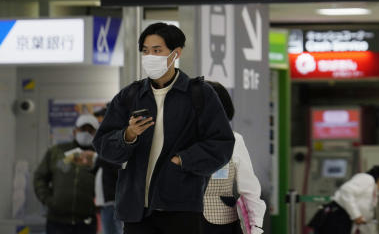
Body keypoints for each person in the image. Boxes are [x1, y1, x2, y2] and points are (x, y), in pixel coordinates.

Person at [93, 23, 235, 234]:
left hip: (181, 207)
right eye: (145, 51)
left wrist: (183, 160)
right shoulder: (129, 96)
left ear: (175, 53)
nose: (150, 56)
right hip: (136, 209)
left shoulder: (199, 94)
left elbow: (222, 144)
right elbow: (103, 145)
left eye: (157, 50)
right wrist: (127, 135)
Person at [201, 81, 265, 234]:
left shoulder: (234, 141)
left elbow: (249, 188)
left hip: (221, 221)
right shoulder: (179, 140)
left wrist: (256, 226)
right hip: (183, 220)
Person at [34, 114, 100, 234]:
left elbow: (112, 183)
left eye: (90, 130)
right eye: (83, 129)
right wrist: (48, 200)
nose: (86, 133)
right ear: (75, 131)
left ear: (96, 133)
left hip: (86, 222)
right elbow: (40, 177)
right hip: (57, 221)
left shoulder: (100, 157)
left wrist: (99, 206)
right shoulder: (57, 151)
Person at [309, 164, 379, 234]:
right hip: (336, 218)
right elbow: (346, 191)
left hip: (344, 222)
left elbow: (365, 222)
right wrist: (356, 215)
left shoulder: (373, 192)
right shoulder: (367, 179)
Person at [93, 107, 123, 234]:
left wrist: (95, 158)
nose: (100, 123)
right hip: (106, 202)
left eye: (102, 119)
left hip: (116, 201)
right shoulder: (104, 139)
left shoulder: (119, 136)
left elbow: (119, 164)